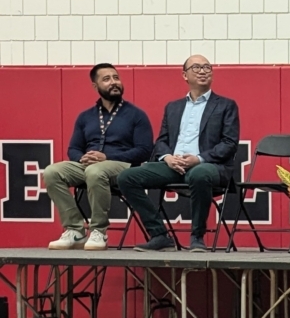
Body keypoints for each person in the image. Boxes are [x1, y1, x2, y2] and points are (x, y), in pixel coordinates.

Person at [118, 54, 241, 252]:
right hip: (174, 165)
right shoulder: (173, 107)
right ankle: (159, 234)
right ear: (185, 75)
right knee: (127, 177)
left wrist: (198, 159)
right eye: (197, 67)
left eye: (207, 67)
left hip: (209, 166)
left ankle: (197, 237)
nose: (203, 71)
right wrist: (167, 158)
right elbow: (161, 141)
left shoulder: (226, 105)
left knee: (198, 173)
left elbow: (229, 143)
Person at [44, 63, 154, 251]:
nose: (114, 82)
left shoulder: (136, 115)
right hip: (89, 165)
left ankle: (98, 230)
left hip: (123, 166)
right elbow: (74, 148)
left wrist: (106, 156)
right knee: (52, 172)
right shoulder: (85, 117)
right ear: (95, 87)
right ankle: (75, 229)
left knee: (96, 171)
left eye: (116, 78)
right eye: (107, 79)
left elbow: (144, 150)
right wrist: (83, 159)